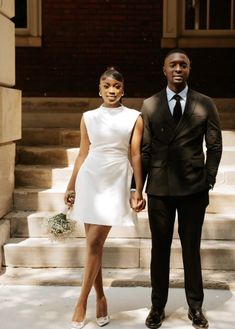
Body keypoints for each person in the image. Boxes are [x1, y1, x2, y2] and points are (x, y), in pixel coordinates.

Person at [139, 49, 222, 329]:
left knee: (191, 249)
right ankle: (157, 307)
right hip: (160, 189)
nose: (178, 69)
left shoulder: (205, 103)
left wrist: (208, 178)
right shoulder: (150, 105)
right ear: (164, 69)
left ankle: (195, 307)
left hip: (193, 188)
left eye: (183, 65)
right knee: (159, 250)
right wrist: (136, 188)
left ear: (189, 69)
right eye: (172, 64)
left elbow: (215, 145)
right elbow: (144, 149)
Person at [64, 67, 145, 329]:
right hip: (90, 179)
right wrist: (71, 185)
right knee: (94, 246)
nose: (112, 90)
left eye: (117, 86)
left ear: (124, 90)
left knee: (94, 243)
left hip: (115, 180)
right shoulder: (88, 117)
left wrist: (138, 189)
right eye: (106, 85)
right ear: (99, 89)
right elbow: (82, 153)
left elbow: (135, 155)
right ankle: (100, 297)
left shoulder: (135, 117)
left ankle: (80, 302)